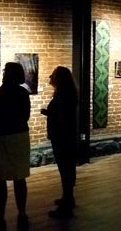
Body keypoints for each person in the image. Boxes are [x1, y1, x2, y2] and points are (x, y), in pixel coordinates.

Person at [0, 63, 32, 231]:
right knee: (20, 178)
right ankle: (22, 214)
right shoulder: (24, 93)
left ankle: (0, 217)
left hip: (1, 137)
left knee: (0, 179)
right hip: (20, 137)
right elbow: (25, 116)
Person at [44, 67, 82, 219]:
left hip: (62, 138)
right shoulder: (68, 94)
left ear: (59, 78)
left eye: (52, 74)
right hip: (67, 137)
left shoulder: (62, 96)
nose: (49, 76)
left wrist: (51, 115)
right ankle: (68, 198)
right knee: (67, 169)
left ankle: (66, 207)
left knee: (65, 170)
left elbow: (62, 118)